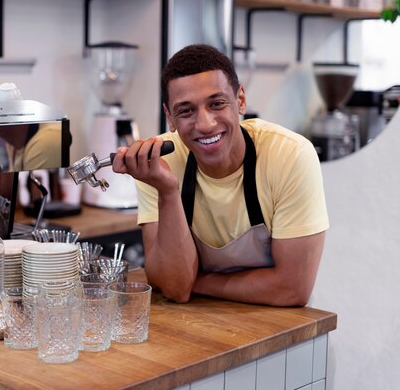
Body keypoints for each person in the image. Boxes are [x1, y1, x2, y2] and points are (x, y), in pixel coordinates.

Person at [112, 44, 329, 306]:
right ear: (170, 117)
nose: (205, 124)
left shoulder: (290, 155)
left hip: (280, 326)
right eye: (186, 110)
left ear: (240, 100)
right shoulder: (160, 163)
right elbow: (175, 288)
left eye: (217, 104)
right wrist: (168, 192)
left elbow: (292, 289)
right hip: (198, 325)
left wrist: (197, 281)